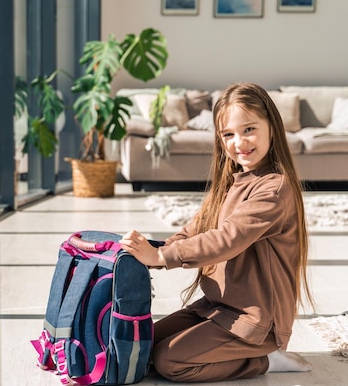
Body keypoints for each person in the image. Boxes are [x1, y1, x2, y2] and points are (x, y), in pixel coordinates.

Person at [119, 82, 314, 383]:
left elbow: (228, 239)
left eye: (249, 129)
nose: (240, 142)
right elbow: (197, 227)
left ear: (272, 128)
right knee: (143, 344)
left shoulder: (274, 189)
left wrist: (162, 256)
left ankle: (264, 361)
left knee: (168, 361)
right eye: (228, 134)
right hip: (217, 308)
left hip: (255, 322)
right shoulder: (232, 182)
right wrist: (155, 248)